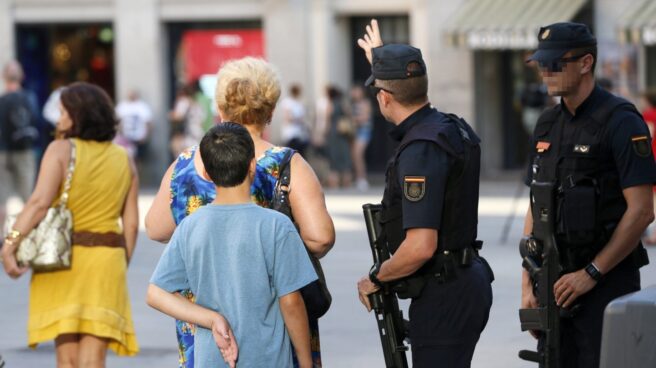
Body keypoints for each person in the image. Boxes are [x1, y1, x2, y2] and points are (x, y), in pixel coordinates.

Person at [145, 57, 335, 368]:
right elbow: (320, 238)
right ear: (270, 110)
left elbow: (155, 228)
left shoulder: (188, 162)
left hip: (205, 330)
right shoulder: (287, 164)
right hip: (274, 331)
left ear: (221, 110)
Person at [355, 20, 493, 368]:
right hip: (463, 281)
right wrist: (383, 61)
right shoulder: (448, 127)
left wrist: (376, 277)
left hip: (444, 291)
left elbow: (420, 246)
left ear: (384, 97)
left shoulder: (420, 149)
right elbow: (408, 88)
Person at [521, 22, 656, 368]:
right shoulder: (547, 123)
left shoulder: (621, 120)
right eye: (542, 64)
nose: (546, 72)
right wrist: (528, 282)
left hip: (606, 283)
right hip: (553, 284)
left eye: (556, 63)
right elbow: (536, 207)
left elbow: (642, 211)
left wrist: (590, 273)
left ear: (586, 63)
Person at [1, 82, 140, 366]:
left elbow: (39, 203)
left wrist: (10, 243)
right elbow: (132, 224)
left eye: (64, 112)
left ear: (78, 116)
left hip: (63, 261)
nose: (59, 119)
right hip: (107, 260)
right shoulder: (124, 159)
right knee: (94, 357)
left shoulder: (60, 150)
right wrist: (119, 261)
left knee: (67, 358)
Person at [0, 60, 38, 227]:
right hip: (24, 151)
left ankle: (2, 237)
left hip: (2, 152)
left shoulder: (2, 100)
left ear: (3, 77)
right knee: (28, 198)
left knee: (2, 201)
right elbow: (37, 123)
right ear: (21, 76)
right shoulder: (29, 98)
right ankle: (28, 235)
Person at [325, 86, 353, 188]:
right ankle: (347, 183)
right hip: (343, 133)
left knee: (334, 159)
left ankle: (334, 183)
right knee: (345, 158)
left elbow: (327, 120)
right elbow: (349, 115)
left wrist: (324, 134)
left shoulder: (331, 104)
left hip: (333, 134)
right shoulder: (343, 103)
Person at [114, 89, 153, 159]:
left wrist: (145, 136)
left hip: (139, 138)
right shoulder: (122, 106)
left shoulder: (142, 106)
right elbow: (117, 121)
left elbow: (148, 122)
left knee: (139, 158)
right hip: (125, 138)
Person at [349, 85, 373, 191]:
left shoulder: (366, 102)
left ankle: (362, 179)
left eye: (357, 91)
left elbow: (366, 117)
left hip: (364, 131)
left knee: (358, 154)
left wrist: (354, 120)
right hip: (355, 132)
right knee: (354, 155)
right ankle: (358, 178)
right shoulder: (353, 103)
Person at [280, 84, 310, 156]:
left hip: (299, 132)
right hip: (290, 133)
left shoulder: (299, 103)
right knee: (292, 154)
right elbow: (287, 117)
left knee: (301, 154)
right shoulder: (287, 102)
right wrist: (297, 119)